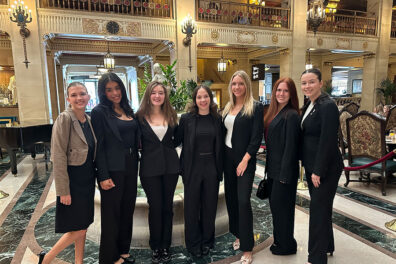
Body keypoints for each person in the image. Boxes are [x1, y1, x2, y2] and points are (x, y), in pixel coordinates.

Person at [38, 82, 97, 264]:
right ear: (68, 98)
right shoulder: (64, 119)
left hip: (87, 180)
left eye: (82, 94)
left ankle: (78, 262)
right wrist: (63, 190)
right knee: (77, 229)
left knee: (83, 226)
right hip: (73, 181)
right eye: (74, 95)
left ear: (88, 97)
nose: (79, 98)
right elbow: (58, 155)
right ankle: (46, 258)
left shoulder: (88, 120)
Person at [91, 73, 139, 264]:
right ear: (103, 92)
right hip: (112, 169)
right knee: (111, 215)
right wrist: (102, 176)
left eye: (117, 88)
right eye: (109, 90)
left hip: (131, 165)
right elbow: (98, 146)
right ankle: (109, 258)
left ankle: (123, 250)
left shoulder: (128, 109)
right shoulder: (99, 112)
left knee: (128, 209)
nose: (114, 93)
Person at [300, 68, 343, 264]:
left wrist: (318, 170)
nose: (307, 86)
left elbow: (327, 140)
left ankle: (316, 257)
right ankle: (327, 246)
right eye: (304, 83)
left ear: (320, 83)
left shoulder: (328, 106)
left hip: (325, 168)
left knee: (317, 210)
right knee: (323, 208)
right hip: (312, 165)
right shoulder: (310, 103)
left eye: (311, 82)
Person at [175, 85, 224, 257]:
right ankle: (193, 243)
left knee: (210, 207)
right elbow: (176, 140)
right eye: (199, 97)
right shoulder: (187, 119)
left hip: (211, 166)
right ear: (195, 100)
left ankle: (207, 241)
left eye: (205, 96)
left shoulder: (217, 119)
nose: (203, 100)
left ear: (210, 99)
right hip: (192, 167)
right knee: (191, 208)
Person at [222, 70, 263, 264]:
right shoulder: (228, 106)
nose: (237, 87)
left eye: (240, 83)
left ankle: (248, 248)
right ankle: (238, 234)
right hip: (227, 159)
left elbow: (256, 137)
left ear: (247, 85)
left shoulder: (255, 107)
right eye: (234, 84)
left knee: (243, 201)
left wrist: (245, 159)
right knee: (231, 199)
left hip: (244, 160)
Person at [136, 81, 180, 264]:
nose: (157, 96)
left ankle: (166, 246)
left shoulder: (172, 115)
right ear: (148, 95)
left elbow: (176, 140)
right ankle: (156, 247)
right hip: (149, 169)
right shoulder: (138, 117)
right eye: (154, 92)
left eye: (161, 93)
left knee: (167, 207)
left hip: (170, 168)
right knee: (155, 207)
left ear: (165, 96)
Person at [264, 77, 300, 255]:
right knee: (276, 208)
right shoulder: (275, 112)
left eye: (285, 91)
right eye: (279, 90)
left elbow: (291, 148)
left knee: (283, 210)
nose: (281, 94)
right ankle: (279, 240)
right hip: (273, 170)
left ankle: (287, 245)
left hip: (284, 173)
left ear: (291, 93)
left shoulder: (292, 115)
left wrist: (284, 175)